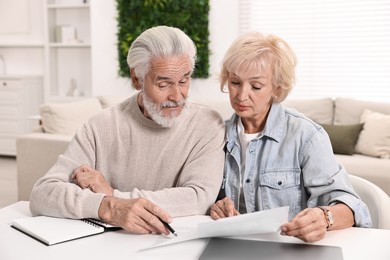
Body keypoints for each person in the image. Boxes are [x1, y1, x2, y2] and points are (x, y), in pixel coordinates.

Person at [30, 26, 225, 236]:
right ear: (136, 79)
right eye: (163, 84)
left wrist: (113, 194)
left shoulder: (207, 124)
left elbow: (198, 197)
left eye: (184, 81)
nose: (177, 96)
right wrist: (108, 206)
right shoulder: (100, 126)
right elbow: (43, 193)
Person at [210, 32, 372, 242]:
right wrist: (216, 207)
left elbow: (354, 206)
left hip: (290, 249)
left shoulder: (306, 136)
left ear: (276, 88)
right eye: (235, 82)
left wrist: (324, 217)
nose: (241, 96)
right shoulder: (215, 136)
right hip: (231, 248)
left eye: (256, 86)